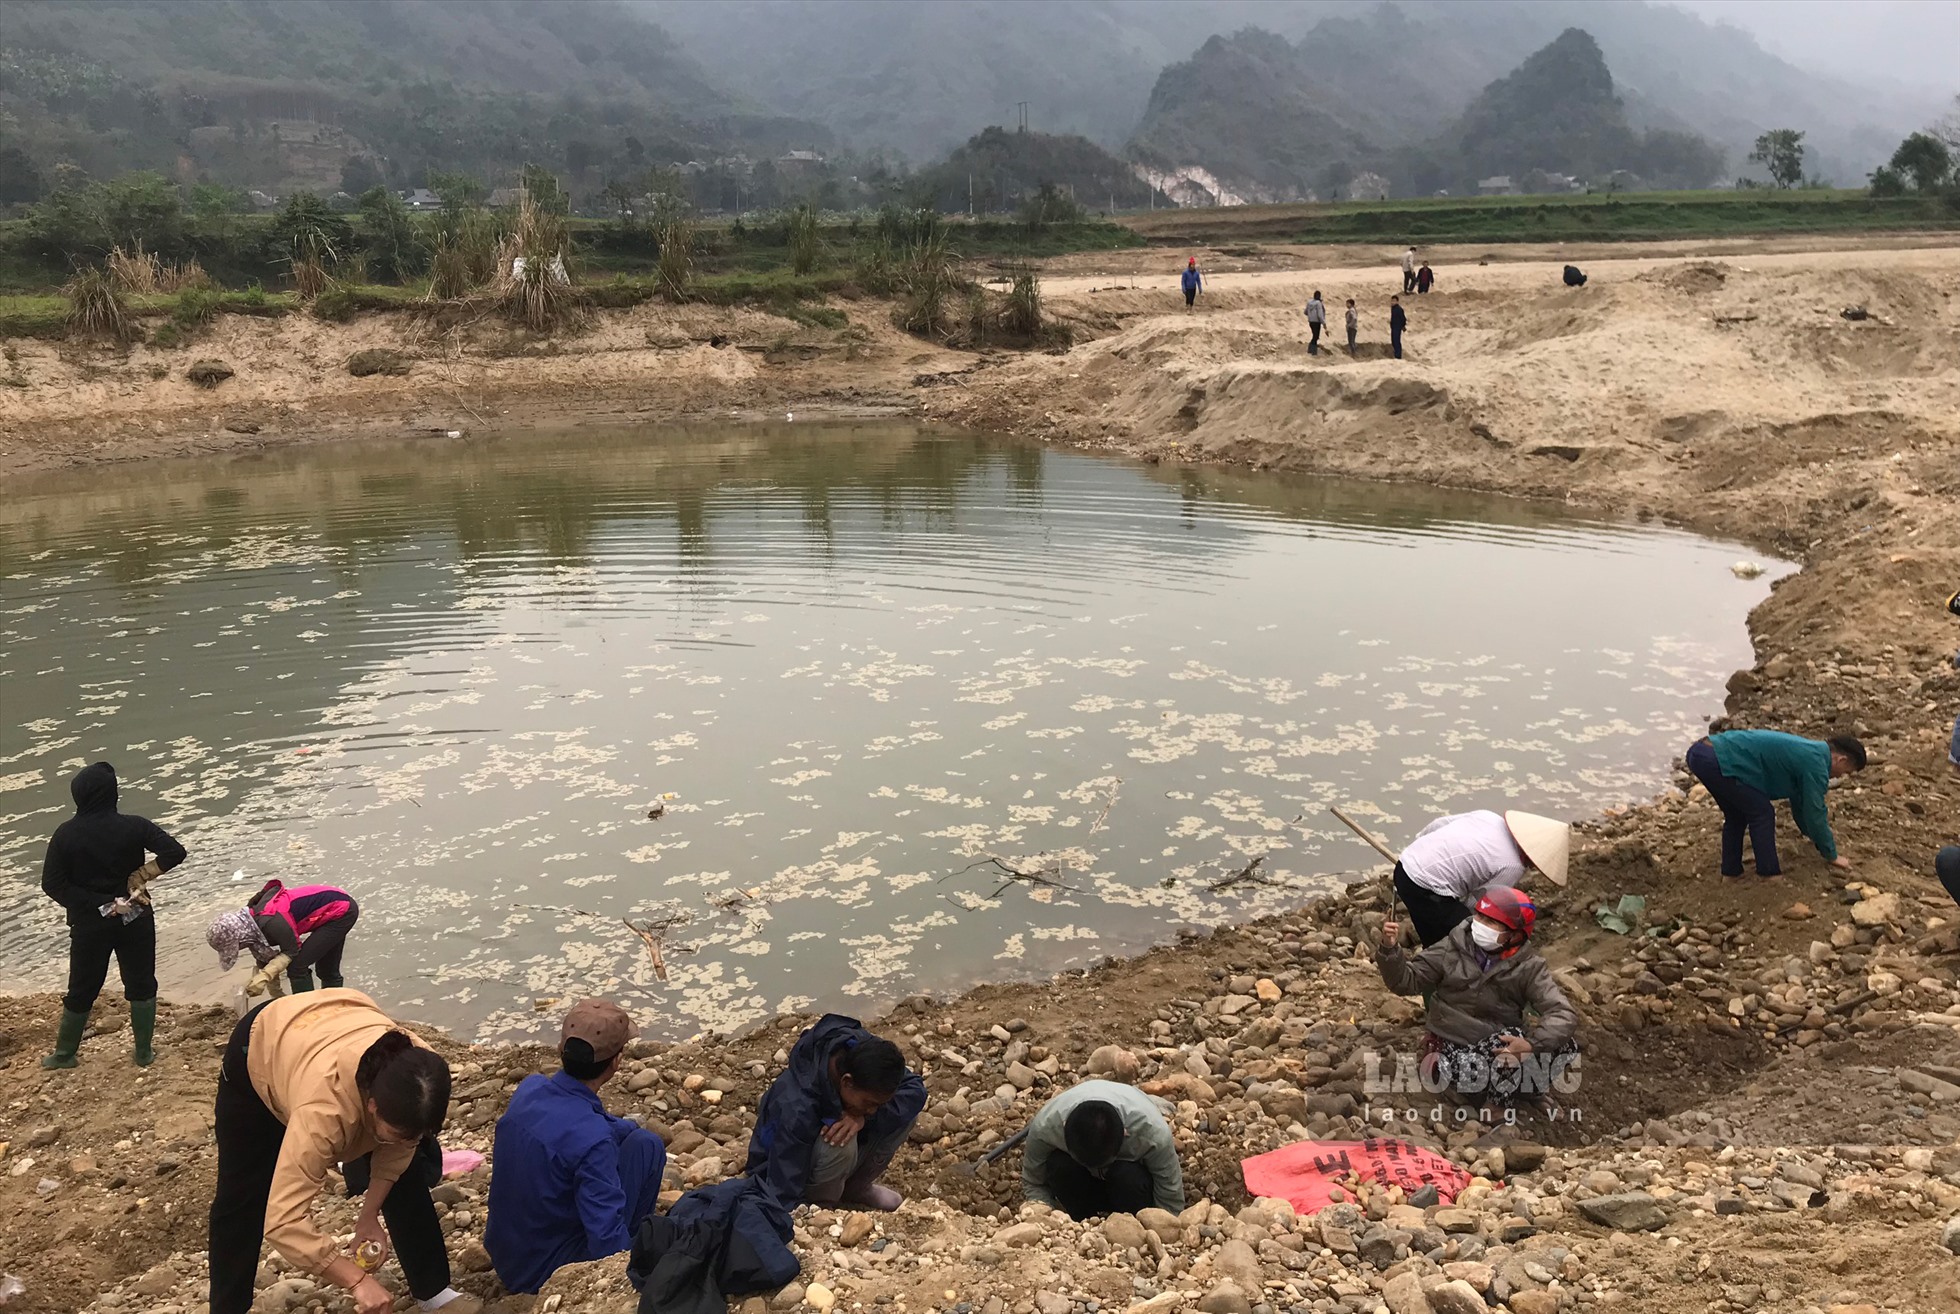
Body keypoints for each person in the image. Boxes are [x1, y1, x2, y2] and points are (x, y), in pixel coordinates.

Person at [208, 989, 477, 1314]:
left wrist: (368, 1217)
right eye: (396, 1134)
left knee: (407, 1172)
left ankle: (433, 1292)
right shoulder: (324, 1112)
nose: (406, 1142)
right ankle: (227, 1308)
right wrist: (356, 1280)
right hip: (262, 1044)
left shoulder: (423, 1074)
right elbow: (283, 1222)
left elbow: (399, 1152)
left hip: (337, 1019)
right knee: (241, 1200)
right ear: (371, 1105)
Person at [486, 1000, 669, 1295]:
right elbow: (605, 1235)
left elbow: (584, 1123)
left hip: (508, 1256)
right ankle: (635, 1252)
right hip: (545, 1272)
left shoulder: (529, 1090)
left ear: (562, 1050)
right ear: (616, 1062)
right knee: (648, 1147)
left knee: (640, 1140)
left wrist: (626, 1127)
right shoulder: (594, 1141)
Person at [39, 761, 186, 1069]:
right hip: (135, 913)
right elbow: (175, 851)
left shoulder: (66, 834)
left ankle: (64, 1055)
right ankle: (143, 1053)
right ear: (112, 794)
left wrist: (98, 903)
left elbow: (52, 884)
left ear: (78, 795)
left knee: (82, 987)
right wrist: (142, 874)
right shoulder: (135, 826)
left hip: (90, 923)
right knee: (141, 982)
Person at [1377, 888, 1579, 1106]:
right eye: (1480, 916)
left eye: (1491, 922)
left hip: (1498, 1050)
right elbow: (1406, 980)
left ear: (1515, 935)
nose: (1480, 924)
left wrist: (1532, 1044)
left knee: (1563, 1044)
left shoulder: (1529, 967)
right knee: (1505, 1040)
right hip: (1451, 1051)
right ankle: (1493, 1106)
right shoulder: (1452, 947)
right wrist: (1390, 950)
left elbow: (1562, 1012)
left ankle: (1527, 1090)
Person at [744, 1013, 925, 1210]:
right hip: (783, 1169)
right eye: (868, 1103)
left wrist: (862, 1117)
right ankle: (823, 1206)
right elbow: (782, 1179)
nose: (872, 1110)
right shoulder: (797, 1103)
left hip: (821, 1162)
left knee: (904, 1115)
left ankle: (856, 1189)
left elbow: (915, 1088)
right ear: (847, 1081)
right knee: (839, 1140)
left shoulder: (859, 1048)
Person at [1684, 729, 1865, 878]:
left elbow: (1800, 804)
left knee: (1736, 815)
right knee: (1762, 813)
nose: (1841, 776)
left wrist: (1814, 837)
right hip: (1716, 759)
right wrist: (1831, 854)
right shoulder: (1816, 764)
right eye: (1845, 771)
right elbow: (1814, 811)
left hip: (1701, 752)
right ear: (1841, 759)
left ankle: (1731, 873)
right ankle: (1769, 874)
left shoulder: (1812, 752)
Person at [1393, 810, 1570, 948]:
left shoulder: (1489, 817)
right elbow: (1479, 903)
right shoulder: (1513, 865)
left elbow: (1437, 824)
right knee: (1463, 939)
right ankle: (1438, 983)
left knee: (1432, 931)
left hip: (1405, 864)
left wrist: (1416, 851)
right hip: (1423, 888)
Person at [1021, 1079, 1184, 1220]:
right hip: (1080, 1187)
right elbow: (1034, 1182)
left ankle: (1130, 1222)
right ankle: (1080, 1218)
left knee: (1127, 1175)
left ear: (1126, 1133)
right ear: (1064, 1127)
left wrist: (1156, 1231)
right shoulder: (1046, 1126)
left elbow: (1169, 1201)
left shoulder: (1152, 1134)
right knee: (1059, 1165)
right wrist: (1043, 1216)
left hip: (1128, 1189)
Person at [207, 879, 360, 995]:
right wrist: (271, 989)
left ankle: (307, 1012)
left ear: (240, 936)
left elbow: (292, 950)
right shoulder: (251, 922)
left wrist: (266, 975)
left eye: (238, 945)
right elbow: (264, 954)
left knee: (297, 967)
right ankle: (328, 1005)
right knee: (325, 969)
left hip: (340, 910)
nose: (240, 948)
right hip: (331, 906)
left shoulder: (271, 921)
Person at [1304, 289, 1326, 354]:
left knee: (1314, 335)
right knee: (1316, 336)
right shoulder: (1318, 303)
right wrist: (1323, 323)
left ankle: (1312, 350)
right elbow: (1320, 314)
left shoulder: (1309, 302)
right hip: (1317, 322)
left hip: (1311, 321)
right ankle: (1312, 350)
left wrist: (1311, 314)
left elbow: (1305, 312)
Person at [1389, 295, 1407, 359]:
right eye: (1392, 301)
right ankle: (1396, 353)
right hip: (1394, 327)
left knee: (1396, 341)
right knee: (1393, 340)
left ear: (1397, 301)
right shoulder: (1393, 308)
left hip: (1397, 327)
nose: (1392, 302)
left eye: (1394, 301)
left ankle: (1398, 355)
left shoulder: (1399, 309)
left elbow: (1403, 318)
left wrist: (1402, 326)